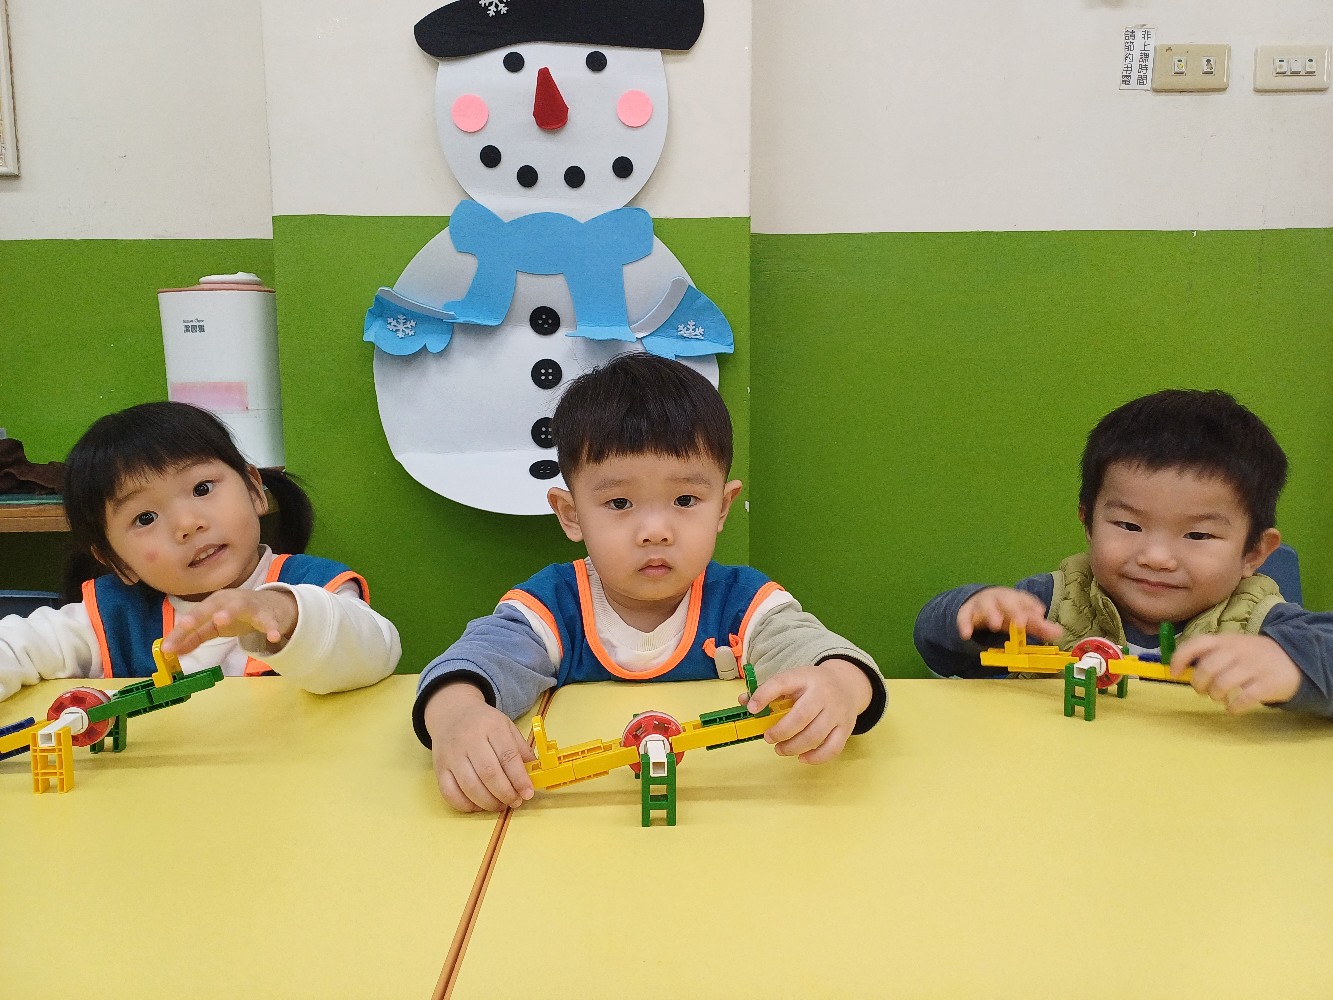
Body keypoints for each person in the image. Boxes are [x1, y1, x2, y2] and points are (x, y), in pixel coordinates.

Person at [414, 353, 887, 812]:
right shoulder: (555, 604)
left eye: (685, 500)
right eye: (620, 504)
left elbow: (820, 652)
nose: (656, 531)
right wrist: (457, 715)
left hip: (726, 818)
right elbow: (476, 660)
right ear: (571, 514)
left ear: (722, 508)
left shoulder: (743, 602)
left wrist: (839, 687)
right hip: (583, 824)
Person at [914, 388, 1333, 717]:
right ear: (1088, 523)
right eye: (1129, 526)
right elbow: (936, 647)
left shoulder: (1261, 624)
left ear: (1253, 552)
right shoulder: (1050, 607)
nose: (1156, 557)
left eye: (1198, 535)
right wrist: (973, 611)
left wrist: (1290, 665)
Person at [0, 401, 400, 701]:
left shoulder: (315, 587)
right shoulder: (109, 616)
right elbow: (16, 645)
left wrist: (284, 613)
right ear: (116, 560)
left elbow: (376, 655)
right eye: (145, 518)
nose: (187, 524)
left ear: (253, 489)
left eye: (202, 488)